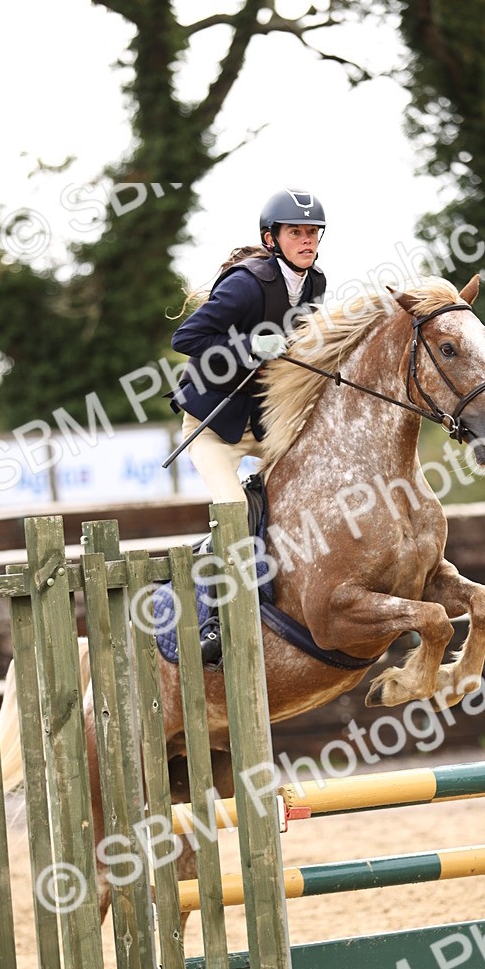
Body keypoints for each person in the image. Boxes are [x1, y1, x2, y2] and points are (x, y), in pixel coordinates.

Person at [169, 188, 328, 664]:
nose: (306, 240)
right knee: (233, 511)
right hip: (214, 425)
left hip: (263, 423)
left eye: (312, 232)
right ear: (272, 238)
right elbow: (187, 337)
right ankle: (214, 620)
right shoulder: (245, 283)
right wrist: (246, 345)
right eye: (296, 232)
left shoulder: (315, 284)